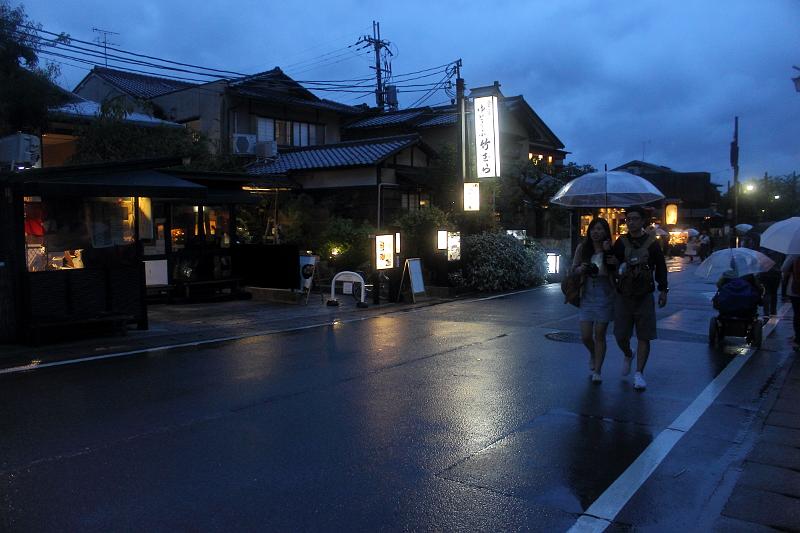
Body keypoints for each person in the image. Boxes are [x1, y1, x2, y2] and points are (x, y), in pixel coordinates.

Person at [612, 205, 669, 391]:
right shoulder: (620, 242)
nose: (631, 222)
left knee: (644, 335)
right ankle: (628, 353)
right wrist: (610, 257)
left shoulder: (652, 243)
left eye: (635, 219)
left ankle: (639, 374)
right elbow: (612, 264)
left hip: (644, 294)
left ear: (643, 221)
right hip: (623, 295)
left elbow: (661, 267)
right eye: (628, 219)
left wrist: (663, 290)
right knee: (620, 335)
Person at [570, 217, 618, 383]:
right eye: (593, 229)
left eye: (600, 229)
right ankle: (593, 353)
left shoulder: (611, 249)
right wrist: (581, 269)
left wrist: (609, 254)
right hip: (587, 295)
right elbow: (573, 269)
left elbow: (617, 272)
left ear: (606, 232)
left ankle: (598, 370)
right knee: (585, 336)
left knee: (600, 334)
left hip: (605, 294)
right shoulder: (583, 248)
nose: (596, 232)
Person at [781, 254, 800, 350]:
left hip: (795, 290)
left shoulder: (794, 254)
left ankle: (798, 339)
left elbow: (784, 268)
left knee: (797, 314)